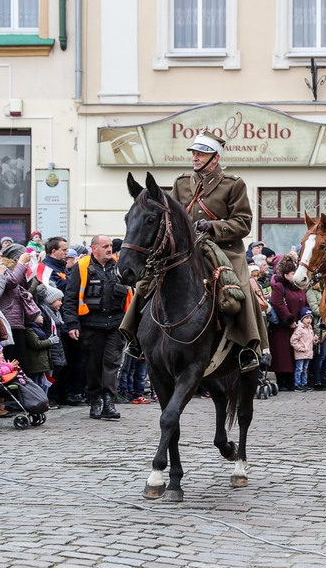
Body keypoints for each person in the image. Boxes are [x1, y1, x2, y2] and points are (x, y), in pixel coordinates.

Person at [130, 130, 266, 370]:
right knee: (148, 279)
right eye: (194, 152)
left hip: (223, 248)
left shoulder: (233, 184)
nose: (195, 157)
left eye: (201, 153)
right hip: (186, 247)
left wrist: (214, 226)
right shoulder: (182, 183)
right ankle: (132, 335)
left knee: (240, 287)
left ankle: (249, 346)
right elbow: (169, 215)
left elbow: (243, 223)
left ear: (215, 158)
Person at [62, 235, 131, 420]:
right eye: (105, 246)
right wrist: (72, 323)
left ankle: (108, 400)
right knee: (93, 365)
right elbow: (70, 298)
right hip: (91, 324)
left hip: (116, 324)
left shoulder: (119, 267)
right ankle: (95, 399)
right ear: (95, 249)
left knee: (111, 363)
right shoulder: (82, 267)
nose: (110, 249)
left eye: (110, 246)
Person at [267, 255, 307, 391]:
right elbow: (278, 304)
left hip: (297, 326)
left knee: (293, 355)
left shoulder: (298, 287)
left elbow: (305, 303)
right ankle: (282, 381)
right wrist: (289, 319)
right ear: (285, 275)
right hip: (282, 327)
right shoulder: (279, 286)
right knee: (282, 355)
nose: (295, 275)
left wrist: (304, 319)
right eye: (292, 273)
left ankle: (292, 381)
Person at [290, 308, 317, 391]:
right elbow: (293, 340)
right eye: (307, 318)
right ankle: (297, 384)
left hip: (308, 353)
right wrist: (300, 348)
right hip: (301, 353)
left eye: (310, 318)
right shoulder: (299, 329)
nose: (309, 320)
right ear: (302, 319)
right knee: (299, 369)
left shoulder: (310, 329)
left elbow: (310, 341)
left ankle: (304, 383)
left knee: (305, 369)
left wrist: (314, 340)